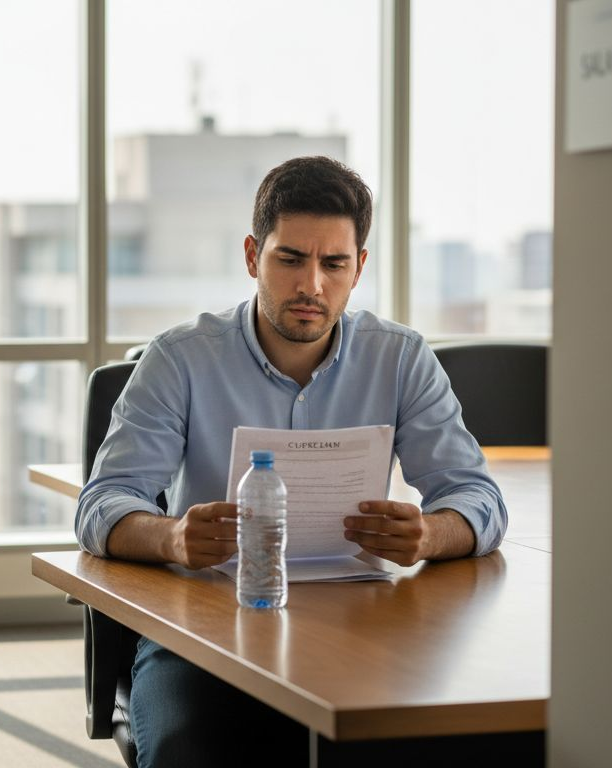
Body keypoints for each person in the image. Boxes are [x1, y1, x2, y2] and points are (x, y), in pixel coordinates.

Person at [74, 156, 507, 767]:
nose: (312, 286)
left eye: (334, 264)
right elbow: (101, 504)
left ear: (359, 268)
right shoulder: (180, 359)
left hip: (361, 630)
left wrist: (431, 533)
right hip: (206, 633)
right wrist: (172, 537)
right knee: (185, 750)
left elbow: (478, 498)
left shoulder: (401, 359)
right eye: (290, 259)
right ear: (253, 256)